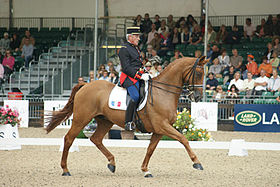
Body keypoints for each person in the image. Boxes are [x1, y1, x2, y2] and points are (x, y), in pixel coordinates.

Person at [118, 27, 150, 131]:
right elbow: (126, 68)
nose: (139, 38)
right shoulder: (124, 49)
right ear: (130, 37)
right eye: (136, 36)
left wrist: (145, 72)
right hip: (129, 78)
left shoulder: (135, 48)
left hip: (138, 76)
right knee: (135, 97)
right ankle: (128, 122)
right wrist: (140, 76)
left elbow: (138, 65)